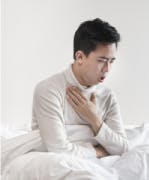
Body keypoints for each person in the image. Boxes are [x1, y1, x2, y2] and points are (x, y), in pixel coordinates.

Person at [31, 18, 128, 159]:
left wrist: (94, 119)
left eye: (111, 61)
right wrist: (99, 152)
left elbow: (124, 148)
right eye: (101, 61)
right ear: (80, 57)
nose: (107, 69)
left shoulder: (107, 96)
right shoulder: (48, 90)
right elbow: (59, 151)